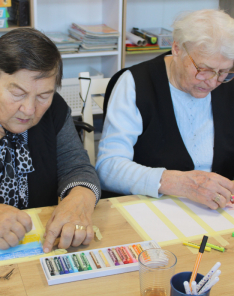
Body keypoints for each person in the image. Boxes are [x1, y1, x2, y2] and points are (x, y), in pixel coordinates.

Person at [0, 28, 100, 252]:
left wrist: (80, 199)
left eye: (43, 96)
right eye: (18, 93)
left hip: (35, 247)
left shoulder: (54, 111)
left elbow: (77, 166)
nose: (30, 110)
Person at [96, 9, 234, 210]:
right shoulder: (136, 83)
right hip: (151, 210)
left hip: (219, 212)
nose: (213, 82)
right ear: (177, 48)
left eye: (223, 72)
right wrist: (179, 183)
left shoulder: (229, 85)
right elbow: (108, 169)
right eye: (204, 70)